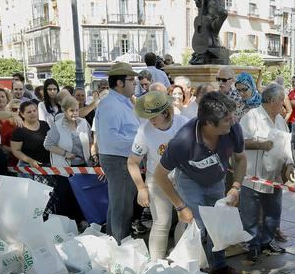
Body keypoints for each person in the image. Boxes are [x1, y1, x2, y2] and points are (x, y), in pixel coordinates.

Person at [153, 91, 246, 274]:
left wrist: (236, 187)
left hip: (216, 180)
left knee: (217, 225)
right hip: (189, 181)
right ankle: (192, 272)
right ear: (209, 124)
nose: (233, 121)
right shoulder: (182, 141)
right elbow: (160, 175)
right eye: (227, 119)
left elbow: (241, 158)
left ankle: (219, 267)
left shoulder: (233, 129)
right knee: (197, 228)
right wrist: (180, 206)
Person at [127, 92, 188, 260]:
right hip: (157, 180)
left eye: (154, 116)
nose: (150, 120)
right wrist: (141, 188)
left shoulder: (184, 124)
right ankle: (156, 264)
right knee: (162, 222)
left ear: (166, 112)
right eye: (147, 116)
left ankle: (182, 259)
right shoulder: (144, 131)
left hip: (183, 179)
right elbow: (132, 162)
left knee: (186, 220)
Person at [239, 82, 292, 260]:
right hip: (253, 175)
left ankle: (266, 242)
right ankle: (252, 246)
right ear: (271, 100)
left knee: (273, 212)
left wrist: (288, 165)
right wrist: (261, 145)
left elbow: (287, 145)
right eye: (281, 100)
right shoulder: (251, 117)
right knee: (251, 214)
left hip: (274, 176)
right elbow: (240, 142)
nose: (283, 104)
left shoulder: (280, 120)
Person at [94, 59, 139, 243]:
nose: (134, 83)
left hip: (122, 157)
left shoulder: (121, 101)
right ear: (120, 83)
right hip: (118, 159)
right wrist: (139, 144)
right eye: (131, 80)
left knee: (117, 205)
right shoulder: (110, 104)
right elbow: (110, 139)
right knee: (122, 207)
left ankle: (115, 244)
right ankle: (120, 245)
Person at [44, 95, 95, 222]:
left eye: (77, 110)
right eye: (72, 110)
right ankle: (65, 225)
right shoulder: (58, 125)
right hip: (64, 167)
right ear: (65, 111)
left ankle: (82, 222)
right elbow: (47, 144)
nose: (75, 113)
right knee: (65, 197)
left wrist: (93, 155)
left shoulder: (83, 123)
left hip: (83, 166)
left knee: (82, 197)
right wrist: (65, 153)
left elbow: (90, 141)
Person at [10, 100, 51, 177]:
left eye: (34, 111)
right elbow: (15, 150)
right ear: (22, 114)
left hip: (47, 166)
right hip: (27, 168)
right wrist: (29, 160)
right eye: (29, 112)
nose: (33, 113)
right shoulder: (19, 131)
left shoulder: (44, 124)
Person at [0, 88, 19, 172]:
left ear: (7, 98)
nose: (0, 99)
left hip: (15, 151)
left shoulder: (14, 111)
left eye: (2, 96)